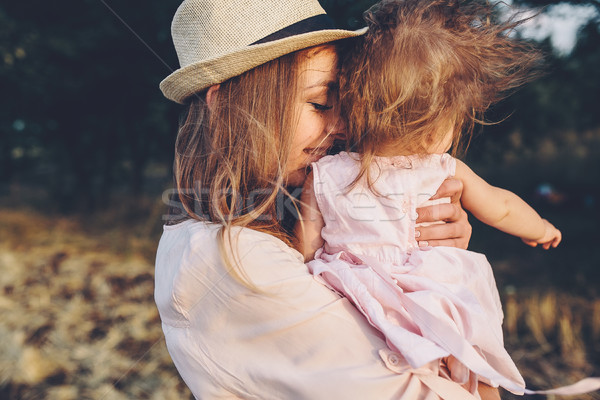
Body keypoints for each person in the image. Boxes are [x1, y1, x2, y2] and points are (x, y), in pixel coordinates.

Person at [154, 0, 489, 399]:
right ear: (224, 102)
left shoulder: (285, 222)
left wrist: (424, 255)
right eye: (319, 103)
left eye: (343, 105)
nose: (344, 127)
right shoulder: (233, 258)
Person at [295, 0, 598, 398]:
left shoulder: (325, 174)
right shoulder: (444, 168)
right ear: (433, 132)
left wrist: (309, 266)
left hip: (363, 297)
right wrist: (540, 227)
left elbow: (306, 239)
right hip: (437, 294)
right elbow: (501, 206)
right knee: (473, 356)